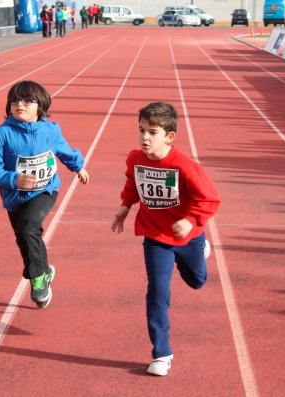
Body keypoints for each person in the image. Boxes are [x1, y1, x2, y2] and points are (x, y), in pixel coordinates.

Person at [111, 102, 220, 377]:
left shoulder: (185, 166)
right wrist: (126, 207)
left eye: (153, 132)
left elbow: (210, 199)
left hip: (188, 236)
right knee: (158, 290)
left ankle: (202, 250)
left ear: (169, 136)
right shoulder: (135, 158)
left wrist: (190, 221)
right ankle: (162, 353)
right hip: (155, 235)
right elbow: (132, 183)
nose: (145, 137)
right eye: (141, 130)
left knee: (197, 281)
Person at [0, 80, 90, 308]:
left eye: (28, 101)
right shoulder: (2, 134)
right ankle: (45, 270)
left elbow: (64, 149)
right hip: (14, 196)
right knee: (24, 238)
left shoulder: (50, 130)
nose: (20, 104)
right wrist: (14, 179)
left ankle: (38, 280)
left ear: (41, 106)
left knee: (28, 228)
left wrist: (78, 166)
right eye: (15, 100)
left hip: (45, 189)